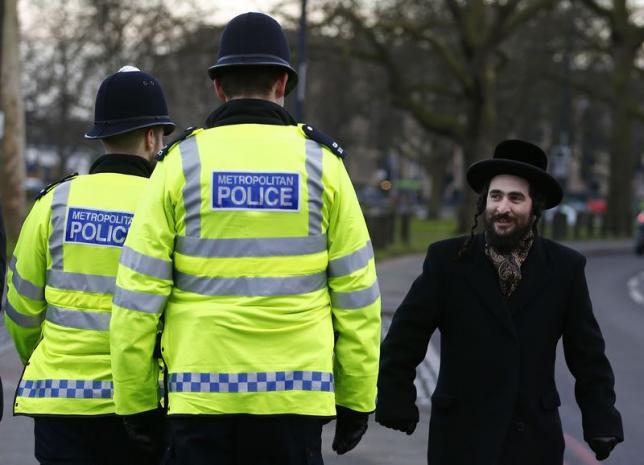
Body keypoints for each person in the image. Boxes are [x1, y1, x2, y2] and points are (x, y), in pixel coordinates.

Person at [109, 12, 381, 465]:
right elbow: (357, 298)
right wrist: (357, 396)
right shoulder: (324, 167)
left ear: (218, 86)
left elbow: (137, 298)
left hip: (201, 399)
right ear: (282, 84)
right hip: (295, 399)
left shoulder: (180, 164)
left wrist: (135, 401)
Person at [376, 140, 623, 465]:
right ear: (484, 203)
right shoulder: (448, 261)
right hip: (461, 436)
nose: (503, 207)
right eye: (496, 196)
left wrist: (600, 417)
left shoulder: (565, 268)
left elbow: (587, 355)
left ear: (534, 208)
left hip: (533, 438)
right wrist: (396, 396)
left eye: (515, 198)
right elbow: (405, 336)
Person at [3, 66, 175, 465]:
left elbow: (20, 309)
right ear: (151, 137)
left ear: (101, 136)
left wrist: (42, 357)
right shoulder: (166, 205)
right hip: (140, 405)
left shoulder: (54, 202)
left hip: (60, 407)